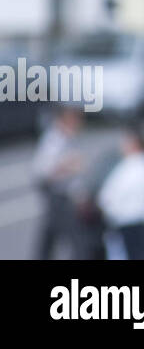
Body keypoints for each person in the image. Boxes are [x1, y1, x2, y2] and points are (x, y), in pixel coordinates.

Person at [96, 127, 144, 260]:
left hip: (126, 222)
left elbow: (109, 196)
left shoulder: (130, 166)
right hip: (143, 222)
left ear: (135, 143)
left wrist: (109, 209)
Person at [32, 106, 85, 259]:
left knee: (50, 235)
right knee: (76, 236)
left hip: (65, 194)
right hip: (57, 194)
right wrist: (68, 166)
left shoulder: (69, 139)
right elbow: (42, 171)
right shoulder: (54, 141)